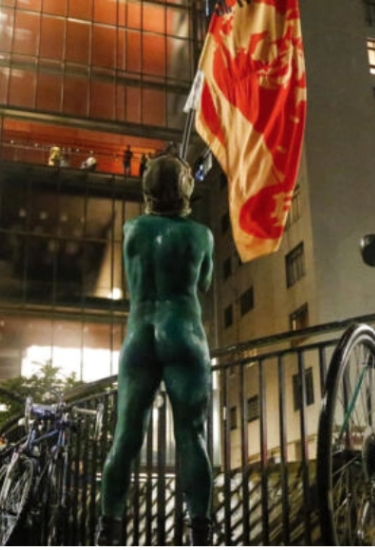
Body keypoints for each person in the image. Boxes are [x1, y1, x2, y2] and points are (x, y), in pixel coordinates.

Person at [97, 153, 214, 546]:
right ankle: (200, 532)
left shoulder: (132, 230)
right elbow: (205, 283)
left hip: (140, 335)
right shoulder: (202, 235)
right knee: (192, 436)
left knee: (125, 437)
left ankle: (108, 530)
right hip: (184, 332)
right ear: (185, 188)